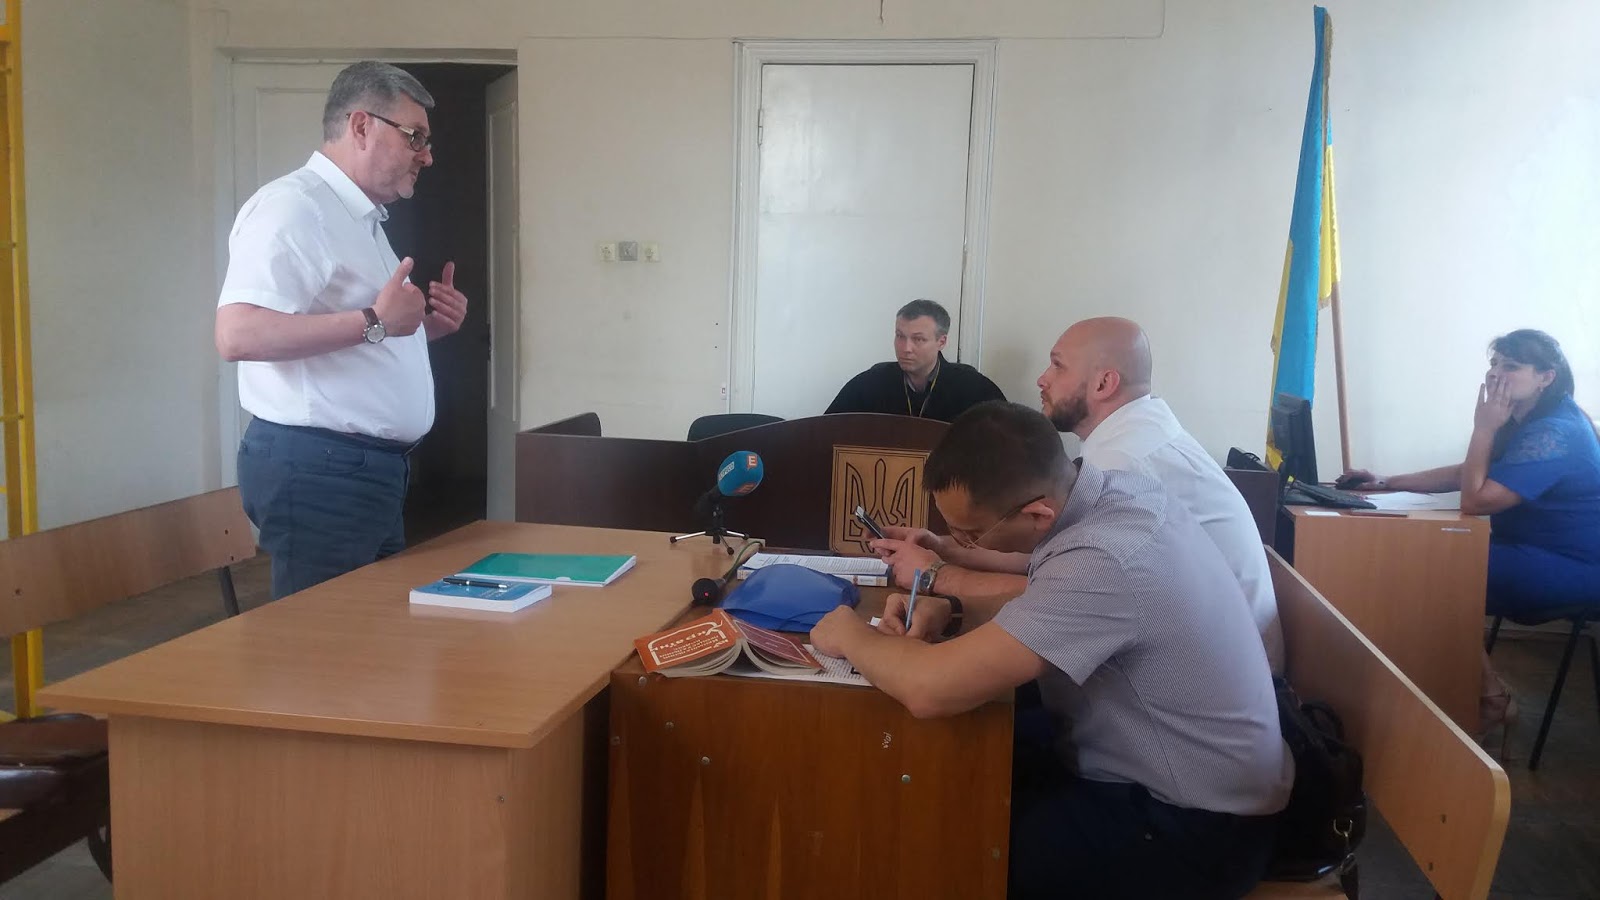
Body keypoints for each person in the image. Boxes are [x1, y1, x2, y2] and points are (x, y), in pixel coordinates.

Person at [811, 402, 1290, 900]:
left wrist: (849, 634)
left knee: (948, 840)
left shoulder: (1107, 557)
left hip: (1194, 829)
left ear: (1038, 514)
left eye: (970, 533)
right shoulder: (1120, 494)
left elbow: (930, 690)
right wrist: (950, 609)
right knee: (958, 767)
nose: (961, 542)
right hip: (1181, 774)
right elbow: (1054, 594)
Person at [872, 317, 1283, 671]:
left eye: (1058, 366)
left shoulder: (1124, 461)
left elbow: (1065, 590)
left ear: (1104, 383)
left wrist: (936, 575)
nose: (1042, 379)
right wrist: (950, 548)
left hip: (1204, 674)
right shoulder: (1133, 435)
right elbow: (1051, 559)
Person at [214, 61, 469, 600]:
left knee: (368, 634)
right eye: (415, 137)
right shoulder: (295, 208)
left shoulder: (357, 218)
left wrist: (419, 329)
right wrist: (377, 321)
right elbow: (238, 334)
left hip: (361, 471)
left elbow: (358, 335)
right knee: (325, 642)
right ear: (361, 126)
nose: (427, 155)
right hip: (320, 471)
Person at [1341, 329, 1600, 737]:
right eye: (1494, 364)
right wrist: (1388, 481)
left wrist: (1483, 428)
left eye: (1511, 366)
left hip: (1570, 565)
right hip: (1525, 549)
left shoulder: (1557, 431)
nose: (1496, 374)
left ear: (1546, 377)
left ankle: (1489, 697)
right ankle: (1452, 691)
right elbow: (1470, 473)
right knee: (1426, 558)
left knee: (1433, 571)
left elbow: (1475, 499)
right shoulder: (1529, 417)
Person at [825, 299, 1005, 421]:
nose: (906, 348)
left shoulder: (974, 388)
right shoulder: (870, 383)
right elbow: (828, 429)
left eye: (918, 339)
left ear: (941, 342)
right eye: (900, 336)